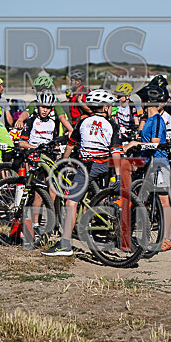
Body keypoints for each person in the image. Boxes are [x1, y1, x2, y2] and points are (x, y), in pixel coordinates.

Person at [42, 89, 122, 257]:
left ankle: (65, 244)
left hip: (88, 167)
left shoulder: (82, 122)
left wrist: (63, 161)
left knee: (71, 202)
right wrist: (119, 175)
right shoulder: (112, 125)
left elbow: (71, 144)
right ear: (105, 107)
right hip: (105, 166)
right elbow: (115, 152)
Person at [126, 85, 171, 252]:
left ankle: (167, 238)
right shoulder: (147, 121)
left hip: (159, 163)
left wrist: (136, 143)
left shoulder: (157, 120)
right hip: (148, 163)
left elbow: (154, 144)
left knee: (163, 200)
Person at [19, 90, 60, 241]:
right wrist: (34, 147)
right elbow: (22, 142)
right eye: (43, 106)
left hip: (48, 160)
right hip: (34, 159)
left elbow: (55, 142)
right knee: (38, 193)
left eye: (48, 108)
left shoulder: (53, 123)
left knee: (54, 192)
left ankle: (53, 223)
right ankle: (35, 224)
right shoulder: (31, 121)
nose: (45, 110)